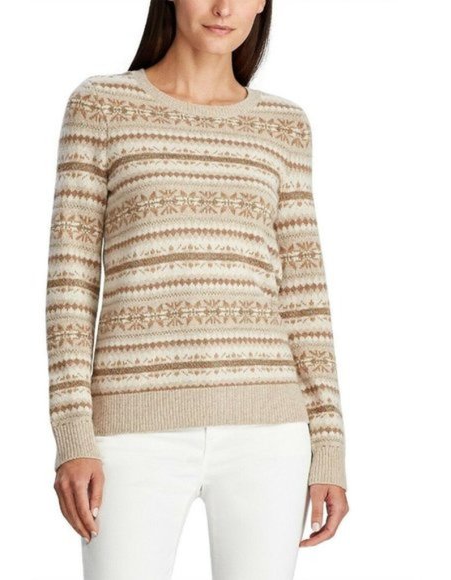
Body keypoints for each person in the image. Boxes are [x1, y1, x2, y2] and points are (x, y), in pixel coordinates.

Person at [45, 1, 349, 578]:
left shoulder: (283, 124)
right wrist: (73, 434)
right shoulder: (102, 106)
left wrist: (329, 444)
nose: (223, 8)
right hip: (130, 431)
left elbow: (305, 294)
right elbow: (70, 284)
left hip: (269, 432)